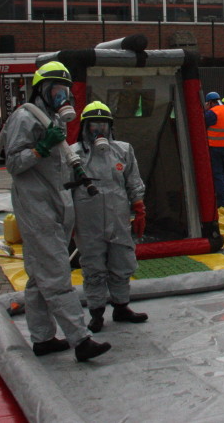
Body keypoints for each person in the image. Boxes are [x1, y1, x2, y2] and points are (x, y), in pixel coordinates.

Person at [4, 61, 110, 362]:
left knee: (40, 277)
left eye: (65, 89)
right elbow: (13, 164)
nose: (62, 95)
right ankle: (80, 339)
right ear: (41, 90)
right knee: (56, 273)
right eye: (56, 89)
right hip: (36, 203)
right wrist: (39, 149)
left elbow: (60, 160)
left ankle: (43, 338)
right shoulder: (25, 117)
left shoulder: (55, 119)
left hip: (57, 198)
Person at [72, 101, 150, 335]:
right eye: (94, 125)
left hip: (118, 218)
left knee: (122, 263)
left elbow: (133, 180)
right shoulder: (73, 155)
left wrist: (139, 207)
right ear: (85, 127)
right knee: (93, 266)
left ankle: (121, 306)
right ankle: (96, 313)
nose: (99, 130)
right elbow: (63, 190)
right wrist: (68, 221)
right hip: (88, 221)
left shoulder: (123, 150)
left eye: (104, 125)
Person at [204, 91, 224, 208]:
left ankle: (221, 204)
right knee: (223, 173)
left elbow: (202, 123)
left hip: (214, 148)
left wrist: (205, 110)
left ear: (211, 102)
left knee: (217, 175)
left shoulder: (212, 113)